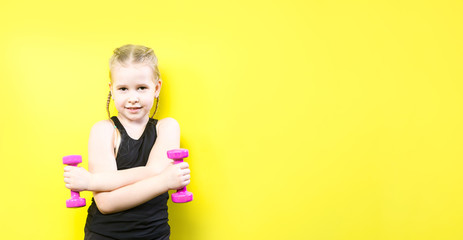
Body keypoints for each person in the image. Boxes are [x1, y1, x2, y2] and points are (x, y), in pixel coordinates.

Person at [63, 44, 191, 240]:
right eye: (123, 89)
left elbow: (155, 171)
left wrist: (92, 181)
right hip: (105, 235)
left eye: (141, 88)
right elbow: (106, 204)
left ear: (156, 88)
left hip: (154, 235)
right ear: (112, 90)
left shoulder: (167, 127)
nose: (133, 98)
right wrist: (164, 180)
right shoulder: (104, 130)